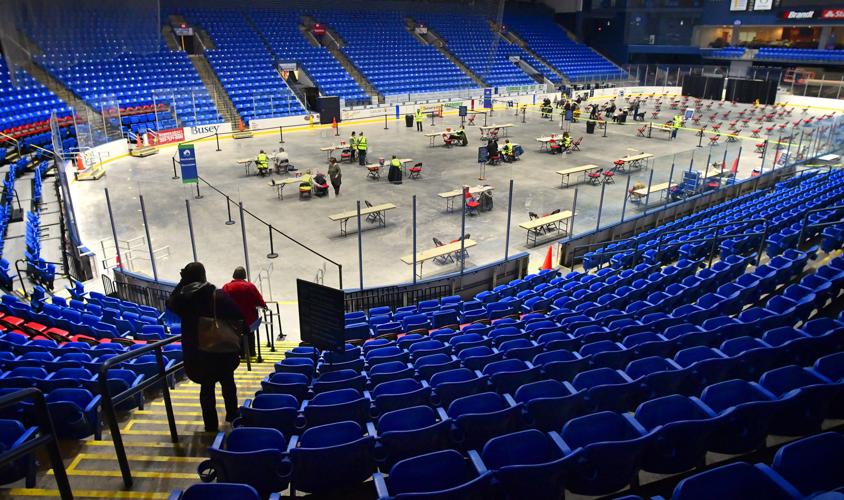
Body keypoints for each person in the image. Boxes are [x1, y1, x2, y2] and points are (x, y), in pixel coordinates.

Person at [166, 262, 244, 432]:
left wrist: (182, 282)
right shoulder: (217, 295)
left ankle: (210, 425)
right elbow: (238, 314)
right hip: (222, 351)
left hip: (198, 354)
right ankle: (232, 414)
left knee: (207, 388)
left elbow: (170, 303)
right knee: (227, 382)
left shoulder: (184, 299)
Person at [222, 267, 266, 358]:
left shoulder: (226, 287)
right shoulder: (250, 286)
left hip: (233, 323)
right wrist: (264, 306)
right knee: (250, 332)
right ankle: (251, 352)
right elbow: (260, 301)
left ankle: (240, 353)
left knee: (237, 333)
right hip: (249, 322)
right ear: (244, 276)